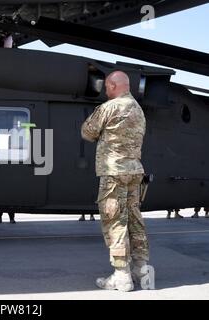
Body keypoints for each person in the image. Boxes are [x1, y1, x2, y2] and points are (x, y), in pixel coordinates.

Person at [81, 71, 150, 292]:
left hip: (114, 172)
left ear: (113, 85)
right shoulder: (138, 110)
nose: (106, 91)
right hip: (135, 172)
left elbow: (87, 132)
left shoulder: (109, 107)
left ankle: (122, 276)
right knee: (134, 219)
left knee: (115, 220)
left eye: (107, 87)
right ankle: (142, 269)